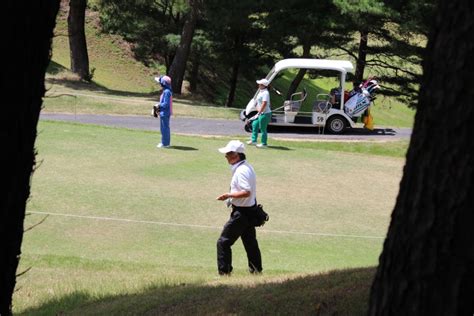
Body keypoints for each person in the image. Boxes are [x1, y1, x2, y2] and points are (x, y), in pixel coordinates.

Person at [216, 140, 263, 275]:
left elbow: (246, 192)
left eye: (228, 154)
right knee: (250, 244)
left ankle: (224, 273)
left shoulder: (241, 171)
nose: (226, 157)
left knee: (223, 242)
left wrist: (228, 195)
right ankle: (256, 271)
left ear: (236, 155)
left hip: (242, 214)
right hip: (249, 211)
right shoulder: (246, 167)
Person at [248, 78, 272, 148]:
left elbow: (264, 103)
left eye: (260, 84)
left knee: (263, 128)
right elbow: (259, 102)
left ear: (263, 85)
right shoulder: (261, 92)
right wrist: (258, 110)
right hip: (261, 112)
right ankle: (254, 140)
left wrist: (260, 112)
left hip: (265, 114)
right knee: (255, 124)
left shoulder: (266, 93)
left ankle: (264, 144)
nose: (258, 85)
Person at [154, 75, 173, 148]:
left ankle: (165, 143)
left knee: (165, 128)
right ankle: (164, 142)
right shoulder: (166, 91)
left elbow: (166, 104)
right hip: (163, 112)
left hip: (165, 112)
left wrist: (158, 105)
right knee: (163, 128)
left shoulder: (167, 92)